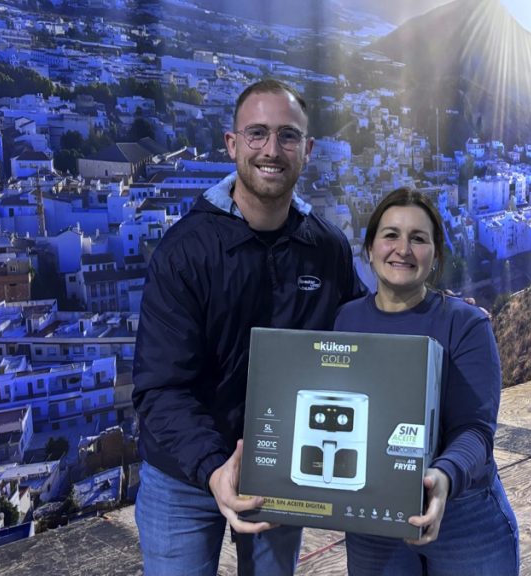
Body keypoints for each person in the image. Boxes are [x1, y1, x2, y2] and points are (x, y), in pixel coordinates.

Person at [131, 79, 365, 576]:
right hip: (182, 475)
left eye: (287, 135)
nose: (272, 150)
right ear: (232, 144)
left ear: (308, 150)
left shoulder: (327, 249)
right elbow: (160, 387)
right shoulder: (184, 253)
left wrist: (435, 313)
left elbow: (365, 335)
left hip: (279, 468)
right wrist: (214, 468)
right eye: (257, 133)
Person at [334, 187, 519, 576]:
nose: (403, 249)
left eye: (418, 239)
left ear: (435, 257)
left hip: (463, 515)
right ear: (369, 249)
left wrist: (443, 477)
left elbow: (475, 431)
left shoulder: (466, 324)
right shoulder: (346, 320)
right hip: (372, 514)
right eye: (391, 235)